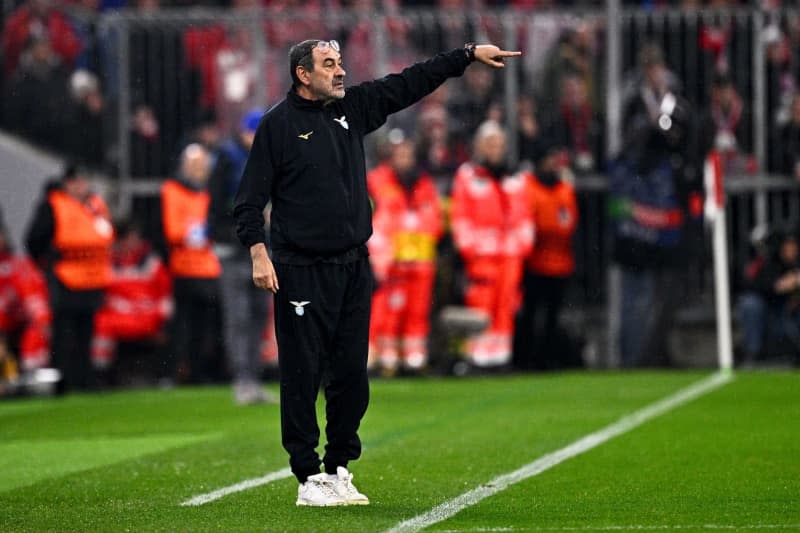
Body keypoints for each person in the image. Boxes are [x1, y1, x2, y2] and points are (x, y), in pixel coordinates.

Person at [233, 38, 519, 507]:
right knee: (302, 374)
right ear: (303, 75)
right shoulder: (277, 126)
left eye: (341, 62)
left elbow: (409, 83)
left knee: (351, 374)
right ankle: (308, 477)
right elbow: (248, 200)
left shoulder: (355, 108)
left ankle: (339, 467)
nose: (340, 71)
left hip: (352, 265)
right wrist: (257, 251)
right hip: (300, 269)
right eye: (329, 65)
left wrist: (464, 56)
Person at [450, 120, 534, 368]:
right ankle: (477, 355)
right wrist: (471, 248)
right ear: (479, 146)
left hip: (510, 254)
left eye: (498, 143)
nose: (494, 148)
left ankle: (500, 356)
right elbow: (460, 216)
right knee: (480, 303)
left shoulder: (516, 177)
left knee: (506, 305)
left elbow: (525, 216)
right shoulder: (467, 176)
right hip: (482, 255)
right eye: (489, 143)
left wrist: (520, 246)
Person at [26, 164, 114, 393]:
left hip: (93, 278)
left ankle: (85, 379)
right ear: (67, 183)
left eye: (83, 181)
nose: (81, 186)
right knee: (63, 333)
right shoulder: (54, 204)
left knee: (87, 332)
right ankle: (60, 380)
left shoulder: (95, 205)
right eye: (76, 181)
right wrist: (47, 264)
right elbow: (34, 240)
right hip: (65, 276)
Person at [209, 109, 276, 405]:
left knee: (259, 314)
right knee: (238, 316)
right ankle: (242, 378)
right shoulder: (226, 159)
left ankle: (253, 377)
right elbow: (216, 206)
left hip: (262, 247)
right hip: (235, 248)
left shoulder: (263, 158)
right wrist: (247, 222)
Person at [367, 134, 444, 376]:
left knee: (417, 312)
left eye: (408, 154)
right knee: (386, 313)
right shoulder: (376, 181)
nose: (404, 159)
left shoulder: (424, 184)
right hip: (389, 261)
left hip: (420, 261)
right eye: (399, 154)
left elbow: (435, 220)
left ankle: (414, 360)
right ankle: (386, 359)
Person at [514, 142, 579, 371]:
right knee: (530, 313)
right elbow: (527, 219)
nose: (553, 164)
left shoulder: (564, 188)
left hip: (560, 260)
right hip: (534, 260)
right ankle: (525, 359)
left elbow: (569, 222)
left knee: (553, 315)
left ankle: (547, 358)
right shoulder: (529, 186)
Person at [160, 143, 222, 384]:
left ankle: (199, 372)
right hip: (185, 267)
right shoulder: (173, 190)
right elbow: (173, 231)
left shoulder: (210, 190)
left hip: (209, 267)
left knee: (204, 326)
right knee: (182, 325)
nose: (200, 170)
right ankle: (174, 372)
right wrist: (199, 231)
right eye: (195, 165)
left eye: (202, 164)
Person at [91, 219, 172, 374]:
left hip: (147, 316)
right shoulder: (107, 263)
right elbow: (104, 296)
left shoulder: (151, 263)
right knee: (101, 324)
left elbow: (165, 296)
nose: (132, 242)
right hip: (118, 316)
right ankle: (100, 374)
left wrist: (162, 321)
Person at [0, 220, 51, 373]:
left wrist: (42, 320)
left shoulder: (18, 265)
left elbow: (33, 299)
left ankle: (30, 377)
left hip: (17, 323)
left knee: (36, 333)